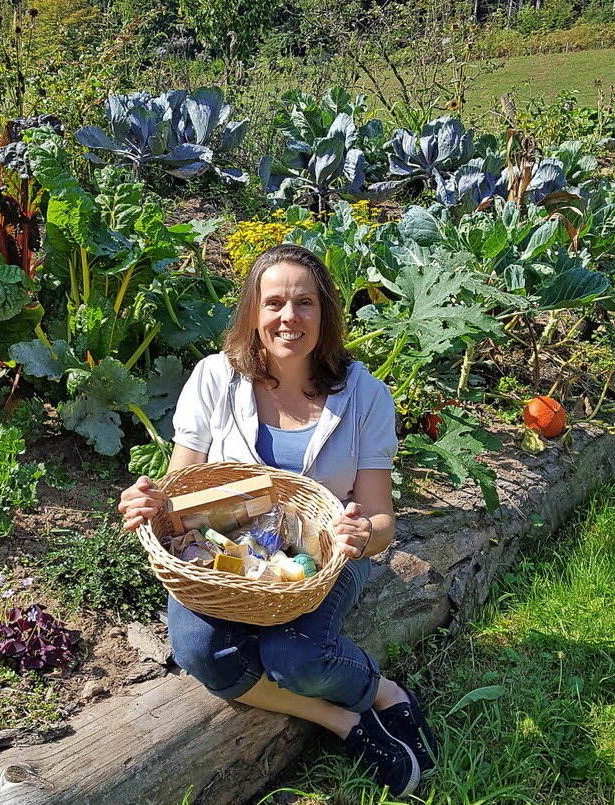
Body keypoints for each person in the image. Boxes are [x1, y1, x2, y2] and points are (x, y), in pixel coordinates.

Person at [118, 244, 437, 797]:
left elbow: (382, 519)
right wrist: (150, 502)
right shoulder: (216, 378)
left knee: (295, 656)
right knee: (200, 652)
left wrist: (362, 535)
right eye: (274, 303)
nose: (289, 317)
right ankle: (345, 720)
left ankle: (386, 693)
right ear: (253, 312)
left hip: (325, 560)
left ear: (325, 313)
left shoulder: (365, 395)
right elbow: (179, 489)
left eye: (305, 303)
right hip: (224, 563)